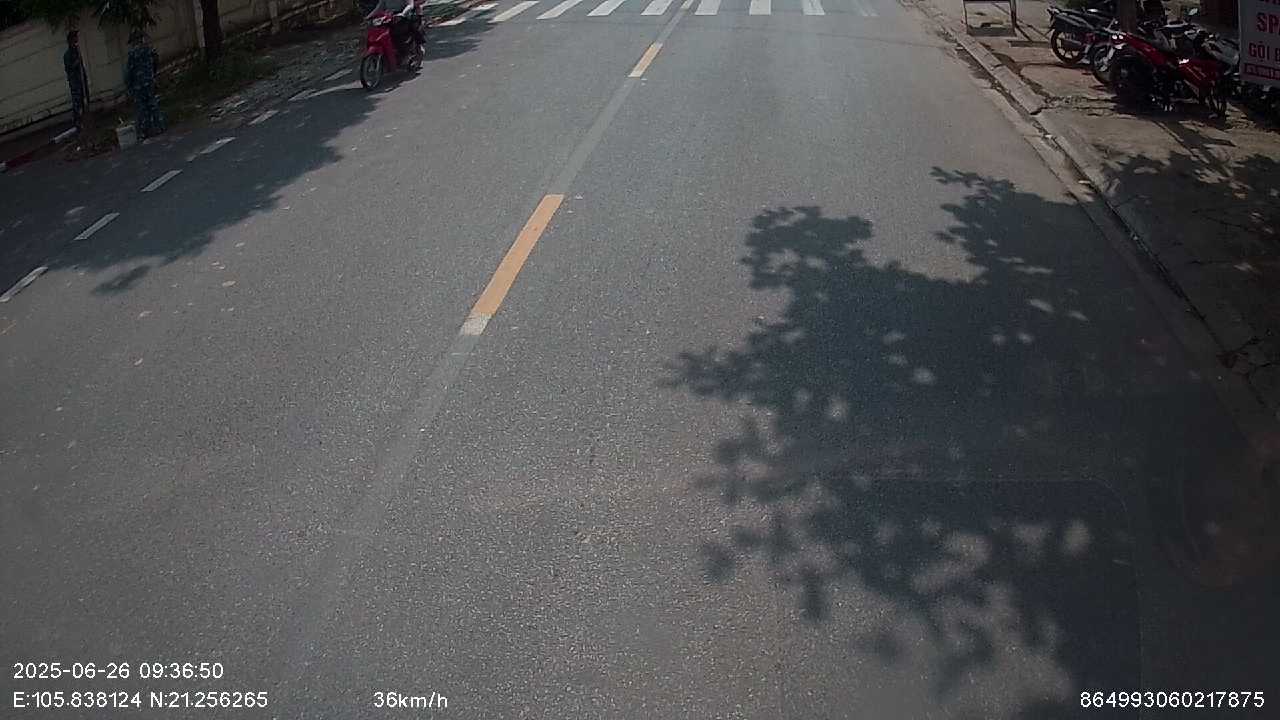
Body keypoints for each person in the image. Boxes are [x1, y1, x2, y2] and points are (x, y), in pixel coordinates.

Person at [124, 28, 166, 139]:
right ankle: (159, 126)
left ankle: (146, 131)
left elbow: (129, 72)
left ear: (134, 41)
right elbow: (156, 62)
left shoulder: (132, 54)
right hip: (149, 81)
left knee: (142, 108)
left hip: (138, 85)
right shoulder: (150, 50)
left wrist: (128, 86)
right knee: (153, 104)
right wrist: (152, 75)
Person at [63, 30, 89, 132]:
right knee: (77, 102)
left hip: (81, 80)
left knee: (84, 99)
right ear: (71, 40)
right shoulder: (68, 55)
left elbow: (81, 67)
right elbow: (69, 69)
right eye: (75, 38)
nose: (77, 40)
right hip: (75, 82)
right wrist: (76, 62)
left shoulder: (77, 51)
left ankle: (85, 119)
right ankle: (77, 121)